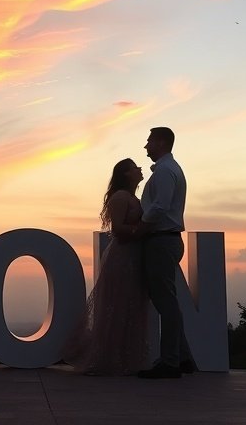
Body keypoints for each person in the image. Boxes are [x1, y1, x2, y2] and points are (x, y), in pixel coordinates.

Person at [61, 158, 149, 376]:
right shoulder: (120, 197)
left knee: (131, 305)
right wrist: (143, 228)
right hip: (123, 256)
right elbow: (118, 229)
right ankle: (108, 358)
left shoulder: (132, 197)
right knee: (118, 304)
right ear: (126, 174)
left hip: (133, 256)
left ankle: (125, 358)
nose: (140, 169)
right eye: (134, 167)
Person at [135, 126, 196, 379]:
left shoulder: (164, 171)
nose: (146, 146)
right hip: (166, 239)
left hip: (161, 240)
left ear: (160, 143)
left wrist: (141, 228)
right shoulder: (171, 169)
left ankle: (170, 362)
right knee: (166, 300)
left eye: (149, 141)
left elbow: (160, 206)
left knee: (165, 302)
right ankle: (181, 357)